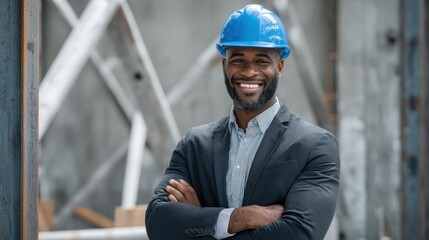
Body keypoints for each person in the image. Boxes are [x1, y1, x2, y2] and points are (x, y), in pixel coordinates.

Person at [145, 4, 340, 240]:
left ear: (279, 67)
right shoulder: (194, 146)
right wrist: (241, 218)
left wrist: (202, 221)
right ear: (224, 65)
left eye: (261, 61)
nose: (249, 72)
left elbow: (298, 234)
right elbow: (158, 223)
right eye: (238, 60)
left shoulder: (314, 146)